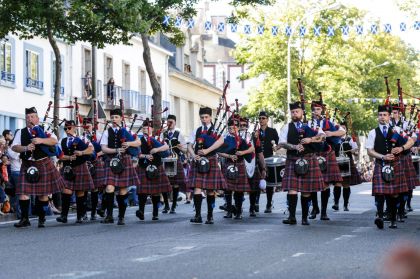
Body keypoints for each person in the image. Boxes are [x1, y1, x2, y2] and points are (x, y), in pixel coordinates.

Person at [11, 107, 66, 228]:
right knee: (23, 192)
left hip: (43, 163)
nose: (29, 119)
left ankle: (41, 218)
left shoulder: (44, 129)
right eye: (27, 117)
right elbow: (14, 147)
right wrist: (25, 148)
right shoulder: (21, 132)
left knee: (43, 194)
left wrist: (41, 140)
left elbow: (54, 141)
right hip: (27, 164)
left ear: (37, 118)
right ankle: (25, 219)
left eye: (32, 117)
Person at [276, 101, 326, 225]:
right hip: (293, 159)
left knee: (306, 190)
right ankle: (292, 217)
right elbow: (282, 143)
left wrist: (311, 139)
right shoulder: (287, 127)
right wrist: (294, 147)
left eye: (297, 111)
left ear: (302, 112)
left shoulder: (311, 124)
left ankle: (304, 218)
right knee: (292, 189)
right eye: (292, 112)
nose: (294, 114)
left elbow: (323, 136)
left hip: (309, 158)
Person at [365, 105, 414, 229]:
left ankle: (393, 218)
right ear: (378, 117)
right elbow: (370, 151)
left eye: (385, 115)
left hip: (395, 165)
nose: (382, 117)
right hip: (380, 163)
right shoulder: (373, 132)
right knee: (379, 192)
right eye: (380, 115)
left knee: (394, 194)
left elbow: (411, 141)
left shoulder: (397, 130)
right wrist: (382, 157)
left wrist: (402, 148)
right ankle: (380, 217)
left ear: (389, 116)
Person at [100, 108, 141, 225]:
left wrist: (129, 143)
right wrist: (116, 149)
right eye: (112, 117)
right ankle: (109, 216)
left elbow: (138, 142)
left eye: (116, 117)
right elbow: (103, 148)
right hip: (111, 161)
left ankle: (121, 216)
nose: (114, 119)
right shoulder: (107, 132)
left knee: (123, 190)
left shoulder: (127, 130)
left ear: (121, 118)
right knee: (109, 188)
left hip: (124, 161)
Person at [187, 107, 226, 224]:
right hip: (198, 161)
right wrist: (193, 155)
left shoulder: (216, 130)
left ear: (210, 117)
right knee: (197, 188)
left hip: (211, 160)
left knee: (210, 190)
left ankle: (210, 216)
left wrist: (207, 150)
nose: (204, 120)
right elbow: (189, 144)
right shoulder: (197, 130)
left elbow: (221, 141)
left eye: (206, 117)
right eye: (202, 117)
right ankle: (198, 215)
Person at [308, 101, 345, 221]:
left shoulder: (329, 122)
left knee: (326, 184)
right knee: (313, 184)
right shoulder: (307, 123)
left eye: (318, 109)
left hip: (327, 154)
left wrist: (332, 133)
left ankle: (323, 211)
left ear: (322, 111)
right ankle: (315, 208)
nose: (315, 112)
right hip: (313, 154)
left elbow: (343, 132)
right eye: (313, 109)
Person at [56, 120, 95, 224]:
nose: (67, 130)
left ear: (74, 128)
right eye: (65, 128)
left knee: (80, 192)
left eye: (69, 128)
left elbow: (91, 149)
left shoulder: (82, 138)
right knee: (66, 190)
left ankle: (80, 216)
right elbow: (59, 155)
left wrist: (81, 152)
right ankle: (64, 216)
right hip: (67, 168)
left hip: (80, 166)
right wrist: (68, 157)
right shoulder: (62, 141)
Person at [218, 118, 254, 220]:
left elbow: (252, 149)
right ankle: (229, 210)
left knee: (239, 190)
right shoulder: (225, 139)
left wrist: (242, 153)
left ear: (237, 128)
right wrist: (229, 156)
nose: (231, 130)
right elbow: (218, 151)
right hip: (228, 164)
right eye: (229, 128)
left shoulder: (243, 138)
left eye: (233, 128)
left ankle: (238, 211)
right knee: (228, 190)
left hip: (239, 164)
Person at [136, 119, 172, 221]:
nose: (144, 130)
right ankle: (141, 211)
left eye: (146, 128)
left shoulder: (157, 138)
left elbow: (166, 147)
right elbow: (137, 153)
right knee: (142, 191)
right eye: (143, 128)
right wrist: (145, 156)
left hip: (156, 166)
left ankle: (155, 213)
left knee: (156, 192)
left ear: (151, 129)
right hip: (143, 166)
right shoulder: (139, 139)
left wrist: (157, 149)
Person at [332, 122, 362, 211]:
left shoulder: (350, 139)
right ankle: (336, 203)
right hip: (336, 163)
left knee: (345, 184)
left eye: (344, 128)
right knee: (337, 183)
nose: (342, 129)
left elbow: (356, 152)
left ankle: (345, 204)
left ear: (346, 130)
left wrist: (354, 151)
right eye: (340, 128)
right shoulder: (334, 139)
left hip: (347, 163)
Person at [161, 114, 187, 214]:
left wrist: (181, 147)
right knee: (165, 183)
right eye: (168, 122)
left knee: (175, 184)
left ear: (175, 122)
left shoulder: (178, 134)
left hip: (175, 160)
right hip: (166, 161)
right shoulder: (163, 134)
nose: (170, 124)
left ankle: (174, 205)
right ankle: (166, 204)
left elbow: (185, 150)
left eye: (171, 122)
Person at [82, 118, 106, 220]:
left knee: (95, 188)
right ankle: (83, 212)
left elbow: (104, 150)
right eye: (85, 124)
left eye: (89, 124)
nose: (87, 126)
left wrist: (96, 155)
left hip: (96, 163)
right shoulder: (80, 136)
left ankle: (93, 212)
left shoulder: (99, 136)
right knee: (84, 188)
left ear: (92, 125)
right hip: (84, 163)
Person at [257, 111, 279, 213]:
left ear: (267, 119)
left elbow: (277, 145)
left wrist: (275, 147)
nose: (261, 120)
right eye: (260, 118)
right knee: (256, 181)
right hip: (257, 159)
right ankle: (255, 204)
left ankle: (269, 204)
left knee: (269, 183)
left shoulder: (273, 131)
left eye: (263, 118)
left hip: (269, 158)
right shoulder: (256, 132)